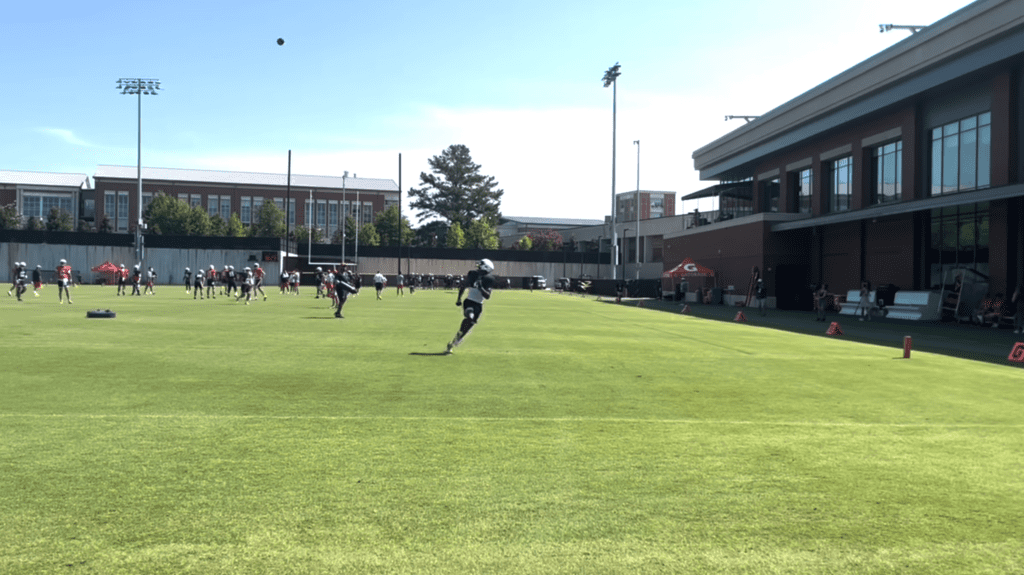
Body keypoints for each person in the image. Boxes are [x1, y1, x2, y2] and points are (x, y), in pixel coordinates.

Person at [446, 258, 496, 354]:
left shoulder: (489, 279)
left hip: (478, 305)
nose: (478, 266)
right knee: (470, 316)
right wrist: (459, 299)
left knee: (467, 327)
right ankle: (460, 333)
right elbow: (463, 285)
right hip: (469, 301)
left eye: (480, 265)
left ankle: (453, 342)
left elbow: (487, 296)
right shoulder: (473, 274)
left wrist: (481, 288)